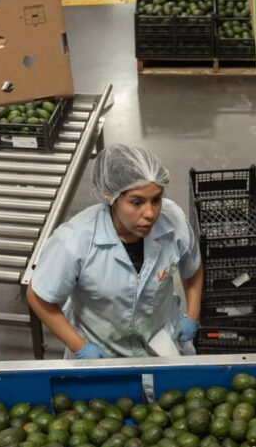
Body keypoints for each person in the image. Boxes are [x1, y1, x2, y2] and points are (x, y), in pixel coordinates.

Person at [27, 145, 204, 359]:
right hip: (102, 352)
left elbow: (192, 266)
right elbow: (38, 296)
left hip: (161, 345)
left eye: (156, 199)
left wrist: (192, 315)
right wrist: (80, 347)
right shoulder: (74, 241)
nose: (150, 213)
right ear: (111, 197)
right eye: (137, 202)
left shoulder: (173, 221)